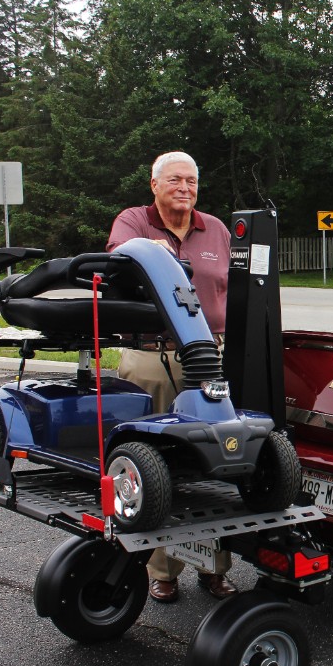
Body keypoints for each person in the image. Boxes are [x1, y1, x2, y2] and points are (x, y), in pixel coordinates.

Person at [107, 150, 237, 604]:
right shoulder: (134, 222)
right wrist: (147, 253)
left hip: (210, 358)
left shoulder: (216, 229)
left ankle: (214, 565)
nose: (184, 188)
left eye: (192, 181)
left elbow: (234, 286)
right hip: (151, 356)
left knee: (217, 456)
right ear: (155, 184)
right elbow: (114, 262)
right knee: (155, 461)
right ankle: (162, 570)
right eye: (175, 180)